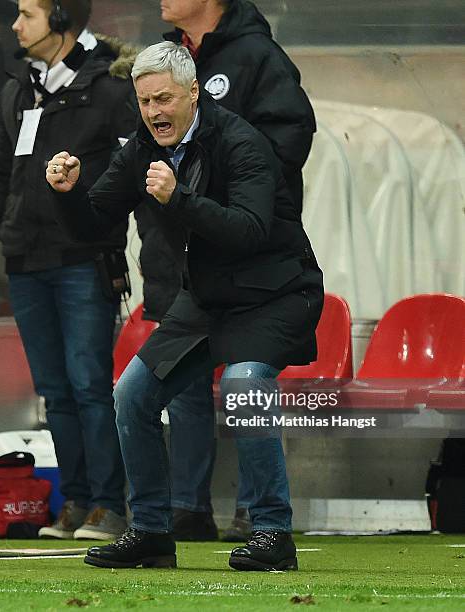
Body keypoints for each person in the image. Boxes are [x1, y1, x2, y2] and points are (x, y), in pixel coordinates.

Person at [46, 42, 323, 570]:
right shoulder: (141, 149)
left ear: (194, 93)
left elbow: (249, 230)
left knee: (245, 385)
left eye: (164, 99)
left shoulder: (243, 142)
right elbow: (93, 224)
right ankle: (151, 531)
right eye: (145, 101)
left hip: (275, 292)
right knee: (131, 394)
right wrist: (68, 193)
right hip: (207, 297)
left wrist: (180, 201)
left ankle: (271, 533)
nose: (154, 112)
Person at [132, 0, 317, 541]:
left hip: (250, 260)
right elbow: (137, 159)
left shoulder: (257, 55)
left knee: (244, 382)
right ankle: (180, 511)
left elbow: (291, 135)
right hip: (178, 254)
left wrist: (231, 191)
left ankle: (261, 517)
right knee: (161, 389)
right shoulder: (164, 58)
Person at [0, 0, 137, 541]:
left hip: (84, 258)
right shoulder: (21, 88)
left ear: (61, 19)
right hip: (26, 259)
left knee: (89, 385)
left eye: (28, 14)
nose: (16, 25)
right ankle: (78, 501)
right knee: (55, 391)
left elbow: (128, 171)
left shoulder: (109, 87)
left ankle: (110, 505)